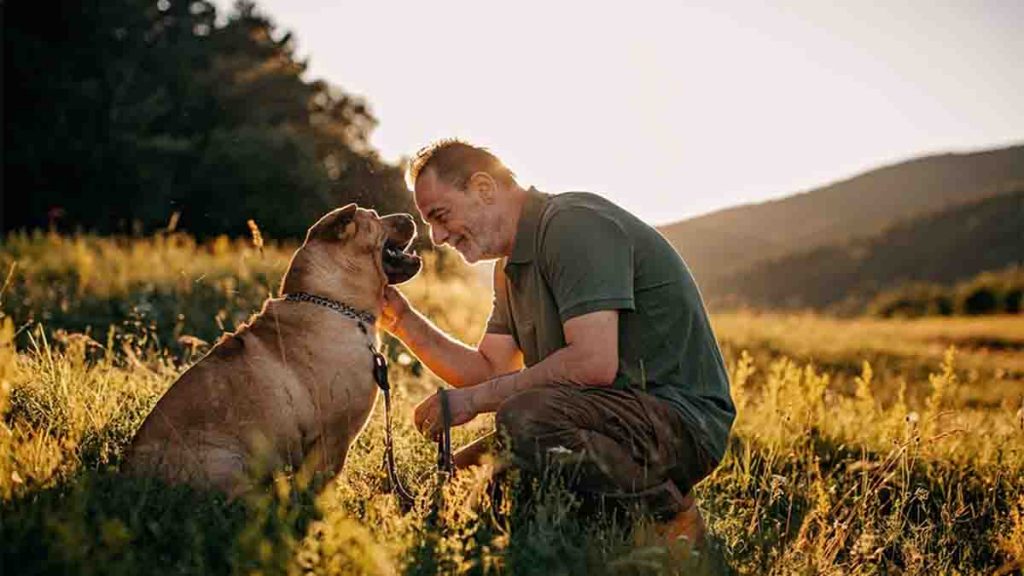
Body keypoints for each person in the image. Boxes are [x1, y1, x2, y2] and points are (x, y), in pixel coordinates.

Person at [380, 139, 735, 546]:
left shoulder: (572, 225)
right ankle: (589, 529)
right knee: (439, 498)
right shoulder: (509, 268)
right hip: (596, 418)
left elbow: (591, 363)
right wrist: (402, 321)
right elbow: (489, 370)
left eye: (440, 216)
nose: (438, 237)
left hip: (680, 421)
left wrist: (474, 401)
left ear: (483, 188)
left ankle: (668, 521)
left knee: (525, 418)